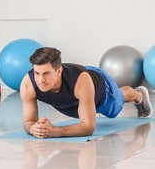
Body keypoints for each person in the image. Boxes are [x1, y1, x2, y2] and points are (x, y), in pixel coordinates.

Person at [20, 47, 152, 139]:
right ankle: (88, 106)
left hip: (100, 89)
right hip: (76, 92)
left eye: (46, 73)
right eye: (37, 73)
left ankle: (137, 94)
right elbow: (29, 121)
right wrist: (33, 128)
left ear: (59, 71)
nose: (40, 80)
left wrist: (54, 131)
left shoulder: (80, 81)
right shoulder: (28, 84)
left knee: (116, 106)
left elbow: (88, 128)